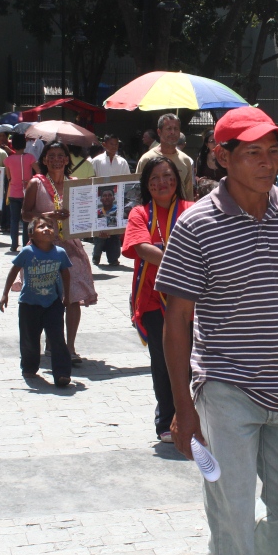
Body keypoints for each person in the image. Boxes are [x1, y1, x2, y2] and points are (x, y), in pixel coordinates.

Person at [156, 106, 278, 555]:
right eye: (253, 153)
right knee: (231, 512)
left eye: (273, 152)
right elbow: (176, 322)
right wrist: (183, 409)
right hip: (225, 387)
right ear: (223, 157)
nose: (268, 162)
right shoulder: (196, 225)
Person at [121, 156, 193, 443]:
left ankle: (193, 415)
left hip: (191, 301)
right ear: (146, 184)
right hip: (154, 301)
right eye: (154, 179)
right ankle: (166, 419)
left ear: (177, 179)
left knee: (192, 361)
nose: (162, 183)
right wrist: (179, 263)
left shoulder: (192, 210)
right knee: (163, 361)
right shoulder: (140, 213)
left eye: (167, 176)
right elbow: (141, 248)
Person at [22, 141, 98, 363]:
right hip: (44, 248)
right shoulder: (36, 183)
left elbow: (88, 214)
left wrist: (99, 228)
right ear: (45, 160)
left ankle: (69, 347)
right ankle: (51, 342)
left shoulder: (75, 185)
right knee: (47, 297)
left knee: (73, 295)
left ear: (67, 160)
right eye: (52, 156)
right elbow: (25, 214)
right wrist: (48, 216)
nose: (56, 160)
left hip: (70, 246)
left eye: (60, 156)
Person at [0, 216, 73, 387]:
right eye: (41, 227)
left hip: (53, 302)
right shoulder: (27, 252)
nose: (47, 229)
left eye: (50, 226)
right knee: (29, 338)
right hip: (29, 303)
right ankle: (29, 367)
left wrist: (66, 295)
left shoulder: (60, 253)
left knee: (57, 337)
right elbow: (14, 270)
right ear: (31, 234)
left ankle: (62, 373)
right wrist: (5, 294)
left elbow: (66, 273)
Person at [90, 134, 131, 266]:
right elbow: (91, 179)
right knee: (100, 229)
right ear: (104, 145)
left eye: (116, 144)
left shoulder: (122, 162)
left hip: (117, 200)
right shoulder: (96, 161)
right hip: (100, 199)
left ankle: (113, 258)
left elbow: (127, 180)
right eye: (111, 144)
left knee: (115, 231)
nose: (114, 147)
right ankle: (96, 256)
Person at [136, 114, 194, 200]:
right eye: (169, 128)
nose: (172, 132)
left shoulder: (185, 160)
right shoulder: (147, 159)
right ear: (159, 132)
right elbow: (137, 191)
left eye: (176, 129)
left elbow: (188, 193)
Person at [4, 133, 36, 253]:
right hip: (27, 192)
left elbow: (9, 177)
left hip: (13, 192)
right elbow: (38, 172)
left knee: (14, 220)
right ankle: (25, 243)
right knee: (26, 220)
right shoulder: (30, 158)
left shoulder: (8, 160)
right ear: (24, 144)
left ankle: (13, 244)